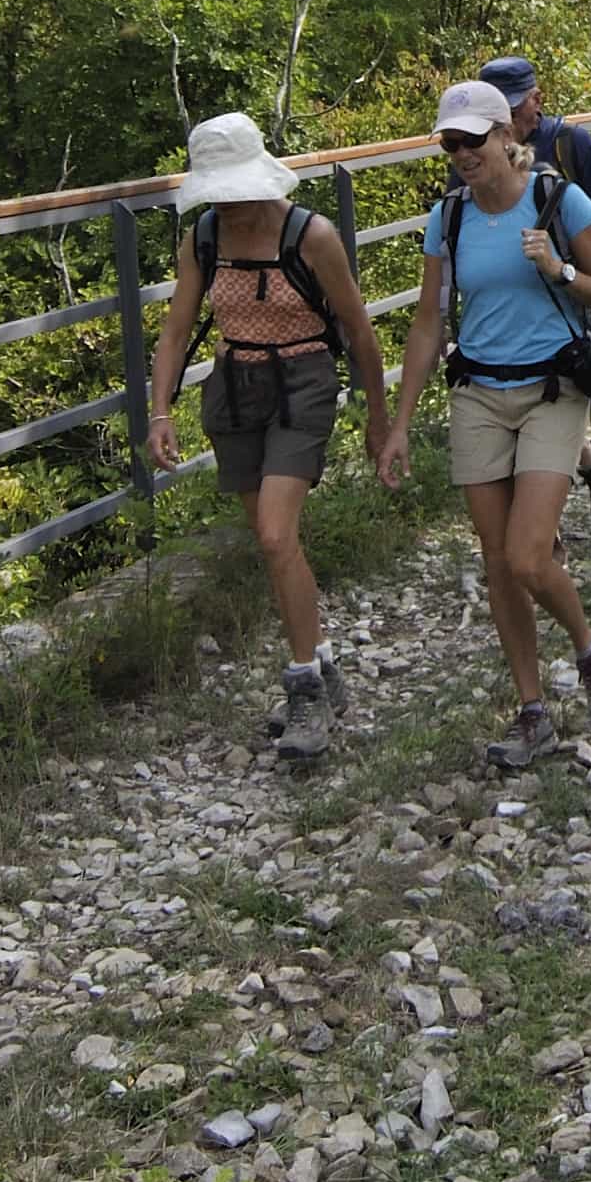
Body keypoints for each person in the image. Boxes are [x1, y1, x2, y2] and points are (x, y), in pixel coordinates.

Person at [376, 80, 591, 771]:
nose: (462, 154)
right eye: (450, 143)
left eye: (473, 140)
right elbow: (429, 322)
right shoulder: (449, 219)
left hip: (553, 388)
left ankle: (589, 651)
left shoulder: (557, 199)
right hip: (478, 393)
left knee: (528, 558)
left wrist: (560, 270)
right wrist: (399, 425)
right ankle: (532, 712)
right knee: (498, 563)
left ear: (505, 135)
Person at [146, 113, 394, 770]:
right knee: (272, 541)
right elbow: (176, 329)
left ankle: (304, 687)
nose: (228, 202)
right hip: (235, 389)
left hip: (303, 382)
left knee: (276, 534)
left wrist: (378, 420)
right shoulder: (204, 236)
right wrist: (160, 412)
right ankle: (323, 667)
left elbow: (359, 332)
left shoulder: (312, 236)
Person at [472, 54, 591, 531]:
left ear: (535, 99)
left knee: (553, 397)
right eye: (495, 109)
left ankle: (547, 523)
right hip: (509, 299)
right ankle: (590, 469)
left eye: (513, 105)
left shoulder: (570, 143)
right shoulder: (472, 148)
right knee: (527, 408)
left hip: (572, 292)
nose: (505, 118)